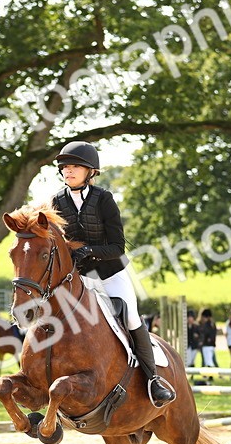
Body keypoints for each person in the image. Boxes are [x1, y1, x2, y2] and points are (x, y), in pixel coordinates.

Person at [49, 140, 175, 406]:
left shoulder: (104, 199)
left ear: (90, 171)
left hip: (110, 273)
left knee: (129, 316)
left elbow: (117, 246)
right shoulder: (57, 201)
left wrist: (89, 252)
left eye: (74, 167)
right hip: (80, 278)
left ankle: (153, 380)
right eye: (65, 167)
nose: (68, 172)